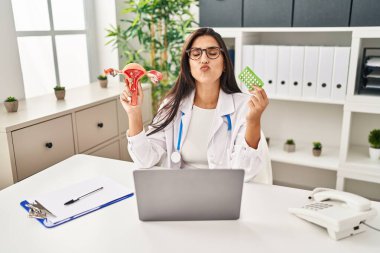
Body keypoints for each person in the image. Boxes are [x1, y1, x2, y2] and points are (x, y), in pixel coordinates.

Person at [120, 27, 270, 182]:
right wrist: (134, 113)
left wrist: (254, 120)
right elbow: (144, 159)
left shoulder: (244, 106)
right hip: (179, 190)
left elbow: (246, 172)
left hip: (221, 191)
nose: (204, 59)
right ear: (188, 65)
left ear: (224, 63)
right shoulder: (171, 105)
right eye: (196, 53)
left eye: (212, 53)